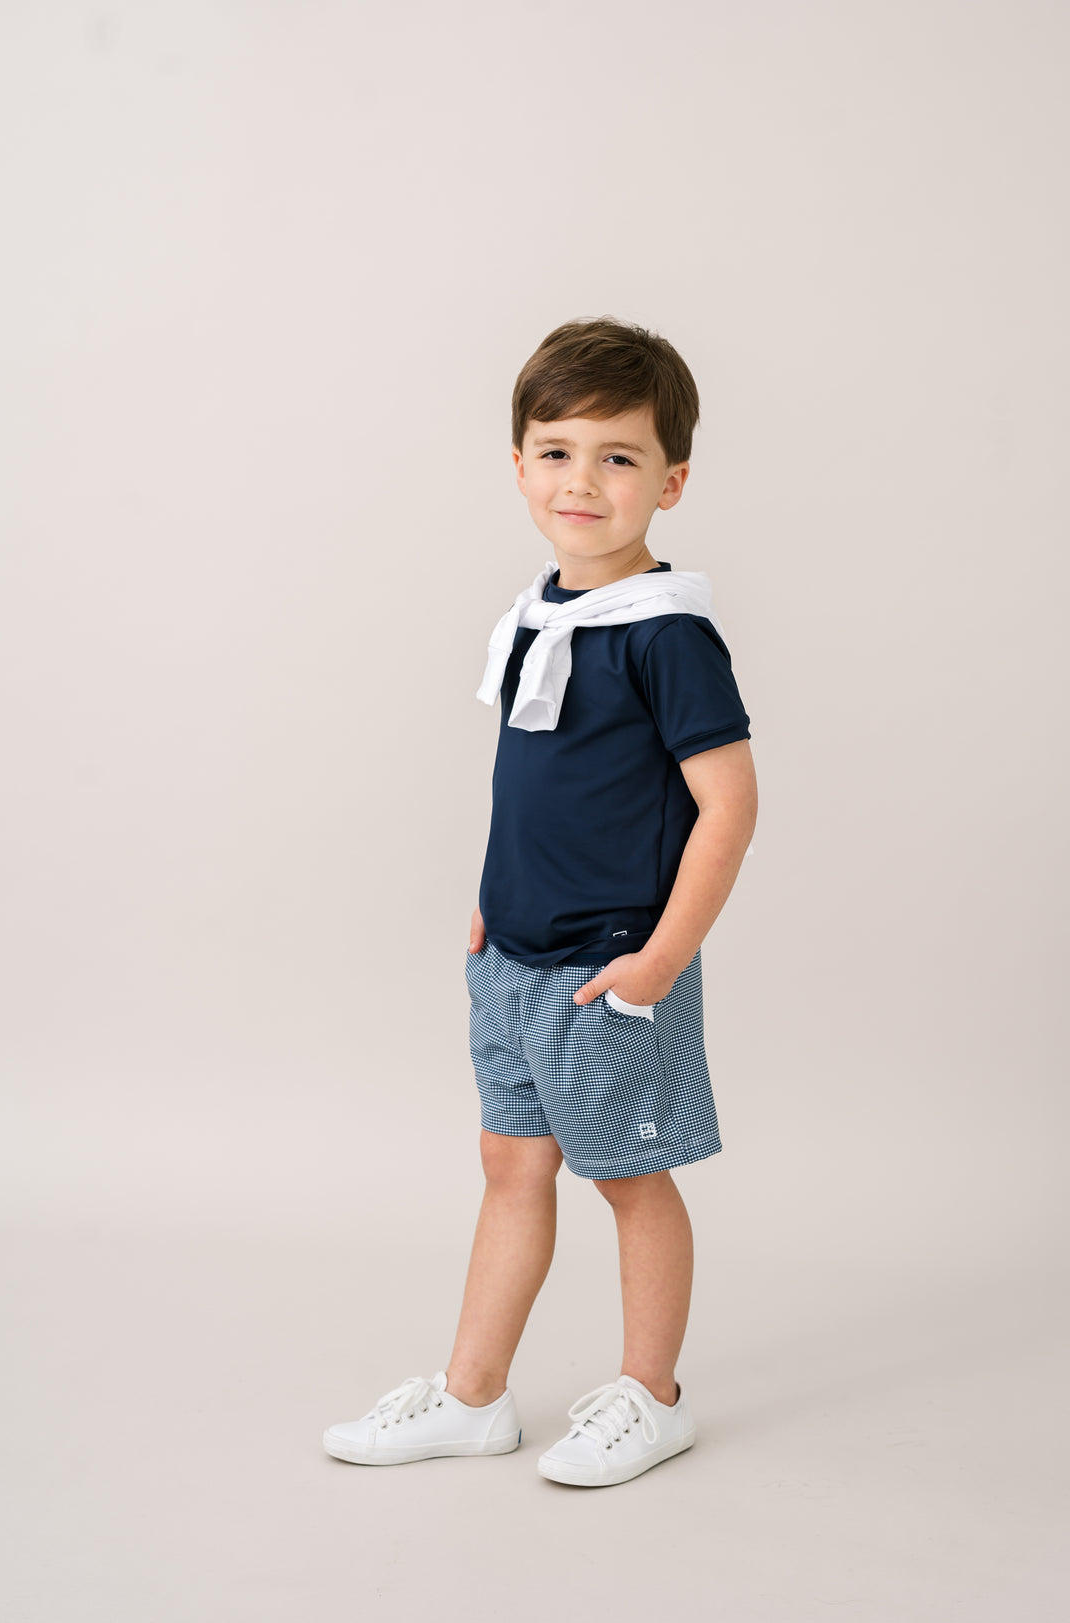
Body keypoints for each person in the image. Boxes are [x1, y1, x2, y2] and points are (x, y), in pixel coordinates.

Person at [324, 315, 758, 1488]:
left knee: (628, 1176)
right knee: (511, 1168)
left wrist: (660, 961)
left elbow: (728, 808)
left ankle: (652, 1396)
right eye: (557, 452)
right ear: (518, 465)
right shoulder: (538, 616)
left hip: (612, 965)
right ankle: (473, 1397)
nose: (582, 481)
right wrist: (491, 899)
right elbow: (535, 781)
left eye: (618, 457)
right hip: (511, 957)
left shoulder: (668, 635)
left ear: (669, 480)